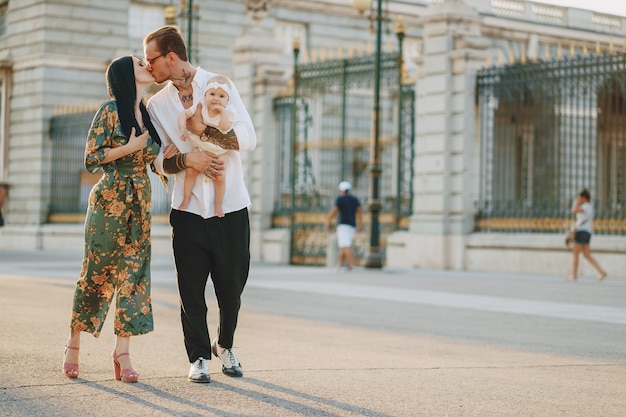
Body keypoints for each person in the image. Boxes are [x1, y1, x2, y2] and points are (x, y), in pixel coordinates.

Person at [143, 25, 257, 383]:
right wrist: (184, 161)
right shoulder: (156, 104)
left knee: (231, 287)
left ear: (171, 57)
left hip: (231, 206)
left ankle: (225, 345)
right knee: (190, 289)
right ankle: (197, 357)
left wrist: (203, 136)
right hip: (187, 210)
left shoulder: (221, 83)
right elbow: (156, 159)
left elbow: (248, 138)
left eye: (152, 60)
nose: (149, 68)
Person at [61, 55, 168, 382]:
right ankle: (73, 343)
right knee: (97, 271)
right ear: (125, 74)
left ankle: (123, 352)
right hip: (109, 202)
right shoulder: (109, 111)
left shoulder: (148, 113)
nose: (147, 66)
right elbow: (92, 158)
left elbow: (156, 159)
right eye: (139, 63)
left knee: (134, 276)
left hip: (139, 203)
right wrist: (128, 148)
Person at [177, 75, 234, 215]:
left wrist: (223, 113)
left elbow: (225, 128)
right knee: (190, 172)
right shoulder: (199, 105)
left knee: (220, 176)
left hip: (219, 151)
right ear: (205, 95)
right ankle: (186, 198)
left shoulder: (227, 112)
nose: (216, 98)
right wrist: (183, 129)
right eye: (212, 94)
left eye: (221, 96)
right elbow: (183, 114)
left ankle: (218, 205)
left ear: (227, 100)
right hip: (200, 146)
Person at [567, 188, 607, 282]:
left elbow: (573, 211)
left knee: (575, 254)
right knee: (586, 254)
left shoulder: (585, 206)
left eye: (579, 197)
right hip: (587, 232)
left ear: (584, 197)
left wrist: (575, 202)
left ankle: (574, 275)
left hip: (581, 231)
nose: (578, 199)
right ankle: (601, 271)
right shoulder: (589, 206)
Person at [325, 181, 363, 271]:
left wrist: (328, 221)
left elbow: (334, 211)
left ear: (341, 190)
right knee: (343, 245)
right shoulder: (354, 199)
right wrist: (360, 225)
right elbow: (359, 212)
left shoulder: (340, 199)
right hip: (351, 225)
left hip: (343, 225)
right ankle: (340, 264)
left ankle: (352, 265)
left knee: (346, 245)